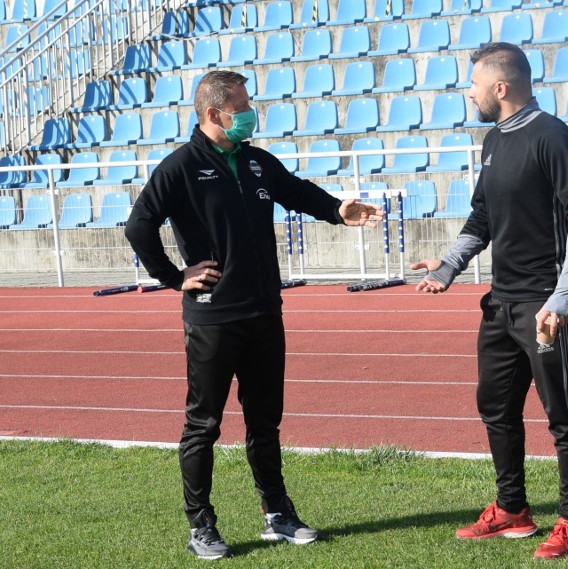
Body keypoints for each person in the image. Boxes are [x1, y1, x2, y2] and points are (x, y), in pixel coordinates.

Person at [125, 70, 384, 561]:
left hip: (265, 311)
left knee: (265, 422)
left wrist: (336, 210)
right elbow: (139, 227)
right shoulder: (179, 167)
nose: (249, 114)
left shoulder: (257, 162)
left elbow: (299, 192)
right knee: (204, 424)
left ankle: (277, 513)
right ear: (212, 114)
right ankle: (201, 524)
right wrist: (174, 276)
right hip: (213, 317)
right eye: (240, 106)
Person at [411, 42, 568, 560]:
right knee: (495, 406)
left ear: (501, 87)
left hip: (545, 305)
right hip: (501, 303)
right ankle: (512, 508)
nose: (468, 93)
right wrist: (448, 266)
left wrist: (564, 297)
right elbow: (482, 220)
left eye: (474, 84)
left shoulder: (552, 136)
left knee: (563, 416)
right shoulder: (494, 140)